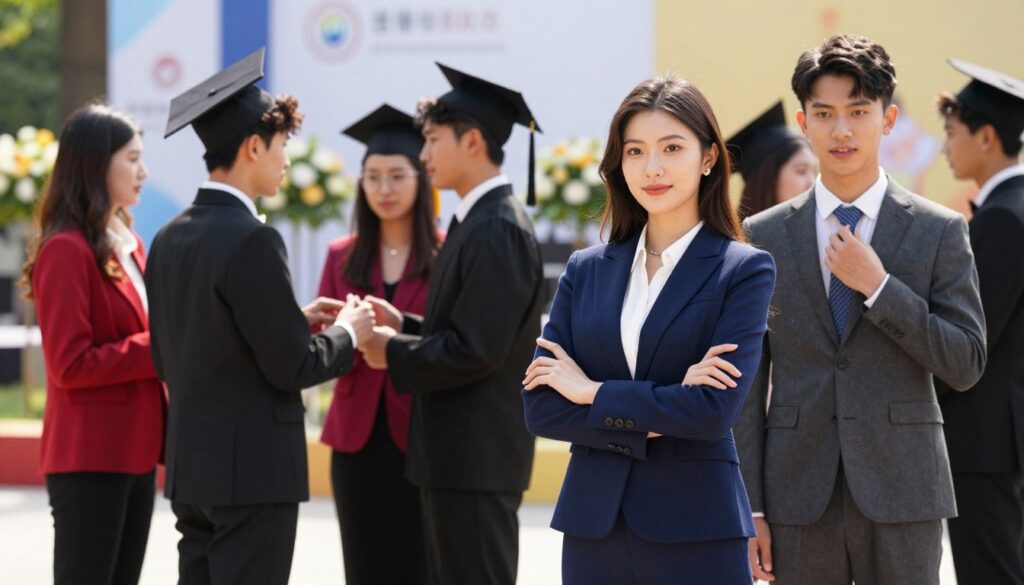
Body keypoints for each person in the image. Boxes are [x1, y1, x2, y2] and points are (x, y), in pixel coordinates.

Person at [735, 34, 987, 585]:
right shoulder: (762, 235)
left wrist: (879, 288)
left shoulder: (939, 230)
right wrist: (749, 505)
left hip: (905, 490)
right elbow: (748, 382)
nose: (841, 130)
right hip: (797, 493)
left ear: (888, 119)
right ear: (804, 123)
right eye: (824, 113)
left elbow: (966, 362)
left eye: (858, 112)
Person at [521, 75, 776, 585]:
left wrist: (590, 391)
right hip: (595, 529)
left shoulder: (743, 269)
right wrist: (666, 403)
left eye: (672, 148)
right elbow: (542, 406)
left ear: (708, 158)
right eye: (635, 151)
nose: (652, 168)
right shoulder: (586, 269)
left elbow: (710, 412)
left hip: (697, 530)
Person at [145, 48, 374, 585]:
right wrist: (348, 332)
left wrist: (289, 317)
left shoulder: (168, 236)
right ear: (253, 146)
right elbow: (293, 366)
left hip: (192, 469)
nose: (286, 160)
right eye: (281, 146)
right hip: (252, 474)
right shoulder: (253, 238)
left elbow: (173, 350)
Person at [358, 63, 544, 585]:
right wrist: (408, 323)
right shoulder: (477, 219)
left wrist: (391, 350)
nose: (423, 156)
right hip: (456, 457)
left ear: (473, 142)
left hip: (475, 460)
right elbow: (471, 326)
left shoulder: (499, 227)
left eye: (433, 141)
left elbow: (477, 349)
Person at [21, 103, 164, 585]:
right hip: (90, 457)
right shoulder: (66, 248)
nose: (143, 171)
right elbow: (69, 365)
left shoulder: (128, 244)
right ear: (95, 163)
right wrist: (161, 346)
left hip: (136, 451)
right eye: (133, 158)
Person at [317, 104, 441, 585]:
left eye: (396, 176)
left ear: (421, 179)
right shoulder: (341, 255)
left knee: (421, 564)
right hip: (356, 438)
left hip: (422, 436)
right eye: (372, 177)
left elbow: (450, 337)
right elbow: (323, 342)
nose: (383, 190)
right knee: (364, 564)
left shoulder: (447, 249)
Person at [936, 58, 1024, 585]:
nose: (945, 147)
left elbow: (970, 341)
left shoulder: (1001, 219)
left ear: (986, 137)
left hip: (984, 442)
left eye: (952, 133)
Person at [727, 101, 817, 219]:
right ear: (768, 176)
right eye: (801, 171)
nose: (813, 183)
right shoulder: (734, 236)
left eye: (816, 173)